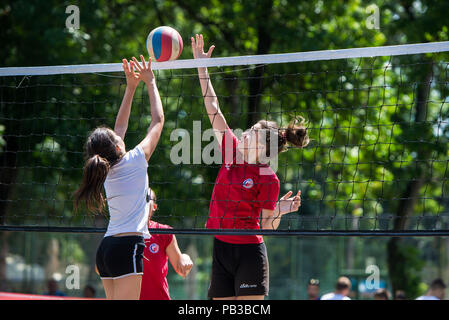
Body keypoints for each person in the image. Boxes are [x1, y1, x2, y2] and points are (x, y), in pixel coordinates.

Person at [191, 34, 309, 300]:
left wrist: (279, 210)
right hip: (221, 247)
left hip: (249, 254)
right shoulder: (230, 150)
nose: (245, 132)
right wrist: (201, 65)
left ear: (263, 148)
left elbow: (267, 227)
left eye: (252, 132)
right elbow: (213, 107)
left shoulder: (269, 179)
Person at [74, 55, 164, 300]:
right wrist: (150, 81)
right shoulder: (135, 159)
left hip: (107, 249)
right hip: (128, 247)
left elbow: (120, 128)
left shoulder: (104, 170)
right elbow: (158, 121)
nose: (119, 134)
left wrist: (131, 87)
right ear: (116, 148)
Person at [140, 188, 194, 300]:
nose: (141, 202)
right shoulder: (121, 232)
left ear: (154, 207)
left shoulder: (164, 232)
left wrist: (185, 257)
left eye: (146, 198)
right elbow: (100, 268)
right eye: (138, 198)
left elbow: (181, 270)